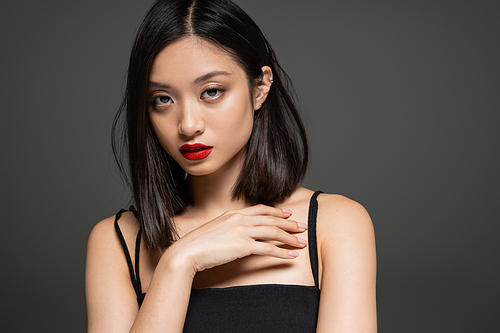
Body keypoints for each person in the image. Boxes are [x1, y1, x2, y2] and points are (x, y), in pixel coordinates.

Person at [85, 0, 377, 331]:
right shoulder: (118, 240)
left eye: (211, 91)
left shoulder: (334, 224)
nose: (188, 124)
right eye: (162, 99)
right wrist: (179, 262)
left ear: (260, 88)